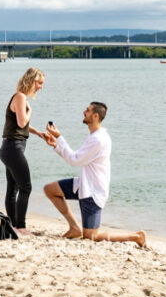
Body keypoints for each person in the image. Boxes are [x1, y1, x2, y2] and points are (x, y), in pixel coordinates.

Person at [43, 102, 147, 247]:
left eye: (87, 110)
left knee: (91, 236)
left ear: (96, 115)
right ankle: (74, 227)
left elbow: (74, 160)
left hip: (93, 192)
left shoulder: (98, 139)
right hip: (84, 184)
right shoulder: (95, 136)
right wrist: (56, 145)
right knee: (50, 189)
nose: (84, 112)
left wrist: (59, 137)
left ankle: (135, 236)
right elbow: (77, 158)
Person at [0, 67, 50, 236]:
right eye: (39, 83)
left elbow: (19, 124)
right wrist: (30, 111)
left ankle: (13, 225)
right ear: (31, 80)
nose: (41, 87)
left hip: (10, 147)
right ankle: (20, 226)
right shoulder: (20, 97)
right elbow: (22, 123)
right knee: (26, 187)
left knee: (13, 189)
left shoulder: (21, 97)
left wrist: (38, 133)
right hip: (13, 148)